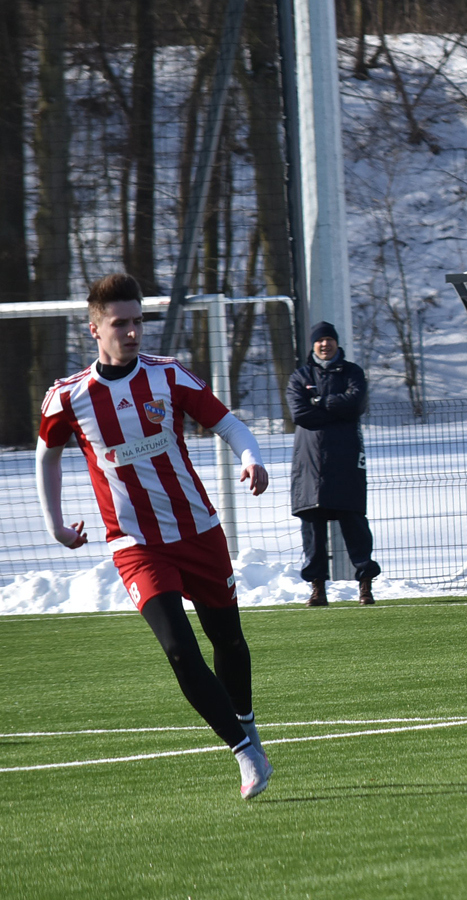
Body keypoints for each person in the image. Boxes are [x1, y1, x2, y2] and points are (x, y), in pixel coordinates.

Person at [35, 273, 274, 799]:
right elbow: (46, 452)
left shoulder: (169, 378)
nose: (133, 332)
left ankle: (247, 720)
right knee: (181, 652)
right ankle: (244, 753)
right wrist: (54, 523)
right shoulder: (68, 397)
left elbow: (228, 424)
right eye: (120, 323)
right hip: (134, 544)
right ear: (95, 329)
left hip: (198, 531)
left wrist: (251, 457)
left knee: (228, 640)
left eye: (138, 321)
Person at [288, 321, 380, 606]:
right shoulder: (299, 376)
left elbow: (356, 404)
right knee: (312, 529)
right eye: (319, 341)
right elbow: (300, 414)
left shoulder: (353, 372)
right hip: (309, 463)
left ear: (337, 343)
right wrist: (336, 409)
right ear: (312, 345)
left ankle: (365, 585)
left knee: (354, 522)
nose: (324, 345)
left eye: (329, 340)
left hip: (346, 459)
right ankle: (317, 589)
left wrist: (320, 401)